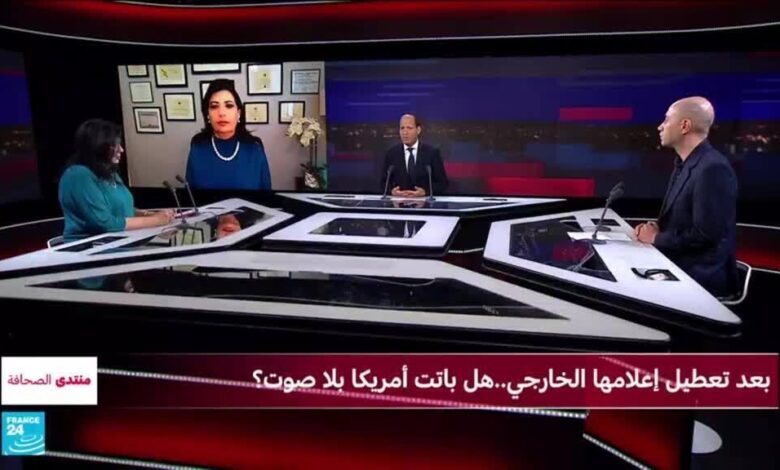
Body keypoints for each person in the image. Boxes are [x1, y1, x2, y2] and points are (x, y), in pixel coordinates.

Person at [635, 96, 738, 297]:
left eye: (666, 120)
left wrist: (656, 238)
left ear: (684, 126)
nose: (660, 126)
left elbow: (705, 236)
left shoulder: (712, 168)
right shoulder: (685, 164)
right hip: (678, 266)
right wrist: (655, 229)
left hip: (700, 280)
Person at [58, 119, 174, 243]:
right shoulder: (78, 175)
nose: (121, 150)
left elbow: (123, 210)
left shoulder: (109, 173)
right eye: (115, 145)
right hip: (93, 249)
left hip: (124, 245)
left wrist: (153, 215)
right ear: (99, 146)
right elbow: (106, 223)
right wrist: (156, 221)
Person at [185, 79, 272, 190]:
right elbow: (189, 195)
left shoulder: (255, 148)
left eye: (229, 106)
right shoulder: (197, 148)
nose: (221, 113)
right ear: (207, 115)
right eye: (214, 106)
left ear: (238, 114)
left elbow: (266, 194)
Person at [379, 114, 447, 197]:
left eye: (409, 128)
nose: (405, 132)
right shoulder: (392, 153)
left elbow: (442, 184)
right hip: (399, 203)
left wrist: (425, 192)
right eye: (402, 128)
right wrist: (392, 191)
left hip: (425, 203)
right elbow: (383, 183)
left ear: (418, 130)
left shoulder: (431, 153)